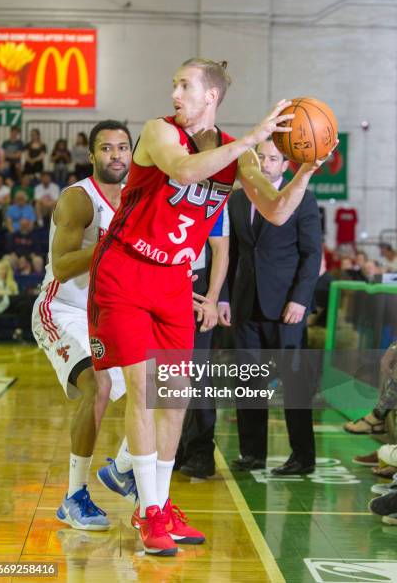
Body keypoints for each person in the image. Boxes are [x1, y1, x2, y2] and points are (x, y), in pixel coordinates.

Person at [88, 58, 335, 556]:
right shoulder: (160, 132)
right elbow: (184, 169)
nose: (175, 92)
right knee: (142, 389)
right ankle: (149, 511)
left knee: (174, 396)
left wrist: (305, 169)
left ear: (211, 97)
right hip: (126, 273)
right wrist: (250, 139)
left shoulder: (236, 155)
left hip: (174, 283)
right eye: (174, 82)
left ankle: (158, 502)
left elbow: (277, 208)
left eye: (185, 85)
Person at [32, 120, 137, 531]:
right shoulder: (79, 199)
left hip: (109, 311)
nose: (116, 155)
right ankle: (74, 495)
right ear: (91, 156)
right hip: (61, 309)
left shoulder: (135, 199)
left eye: (123, 148)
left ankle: (123, 468)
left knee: (165, 379)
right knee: (99, 385)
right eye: (107, 148)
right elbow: (62, 265)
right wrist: (114, 245)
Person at [219, 137, 322, 474]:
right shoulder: (236, 200)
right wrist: (223, 297)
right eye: (259, 156)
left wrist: (300, 300)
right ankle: (252, 454)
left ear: (285, 165)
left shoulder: (303, 200)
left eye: (273, 158)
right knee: (247, 382)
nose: (265, 163)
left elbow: (312, 255)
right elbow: (231, 254)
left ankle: (302, 457)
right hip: (245, 306)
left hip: (286, 309)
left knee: (294, 384)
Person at [176, 206, 230, 479]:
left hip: (198, 289)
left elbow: (221, 249)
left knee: (196, 373)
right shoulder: (156, 184)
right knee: (161, 373)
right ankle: (172, 449)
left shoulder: (215, 193)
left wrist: (213, 298)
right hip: (160, 286)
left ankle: (200, 451)